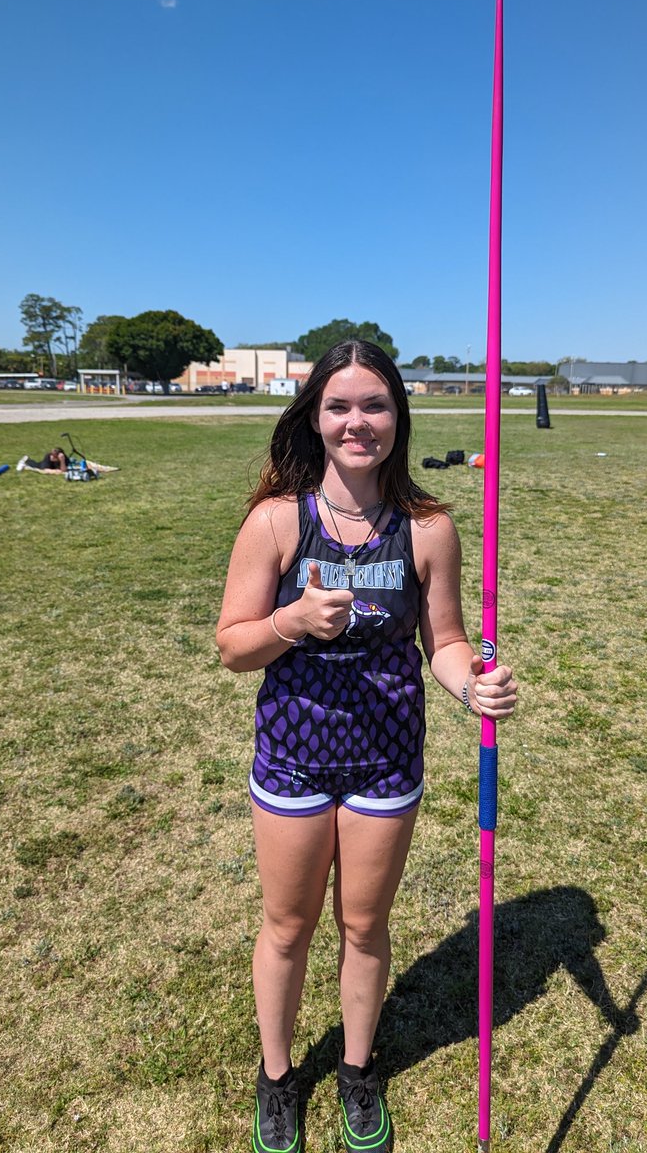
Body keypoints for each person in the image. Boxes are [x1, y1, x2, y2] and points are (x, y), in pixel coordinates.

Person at [216, 341, 518, 1153]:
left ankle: (355, 1070)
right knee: (287, 925)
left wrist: (471, 687)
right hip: (293, 754)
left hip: (387, 760)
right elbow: (233, 646)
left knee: (363, 925)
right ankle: (278, 1078)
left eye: (375, 405)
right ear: (314, 417)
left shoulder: (428, 528)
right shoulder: (279, 520)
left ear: (399, 418)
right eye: (340, 405)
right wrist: (290, 623)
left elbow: (446, 641)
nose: (358, 422)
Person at [16, 447, 119, 474]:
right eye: (52, 455)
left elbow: (64, 470)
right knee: (38, 466)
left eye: (54, 456)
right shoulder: (48, 457)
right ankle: (26, 460)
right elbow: (45, 469)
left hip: (59, 462)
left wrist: (61, 461)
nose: (52, 457)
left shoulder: (63, 459)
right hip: (46, 465)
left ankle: (27, 459)